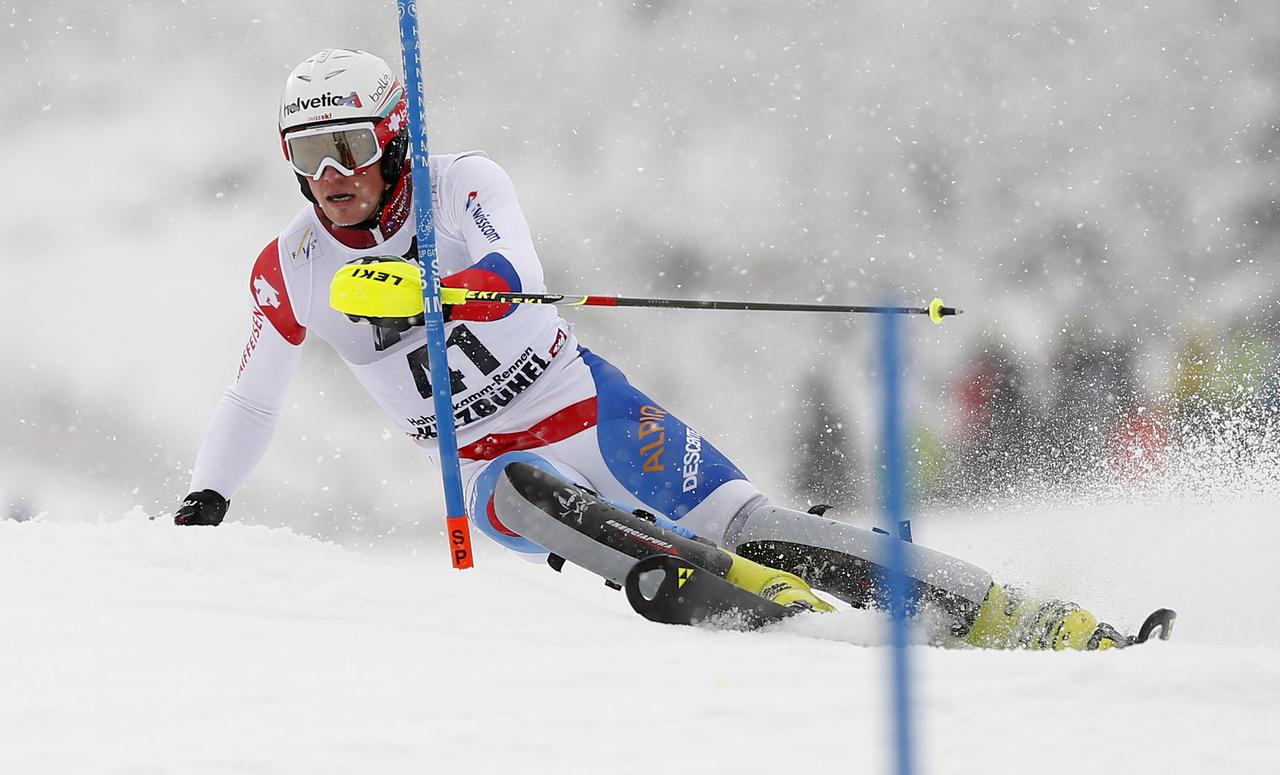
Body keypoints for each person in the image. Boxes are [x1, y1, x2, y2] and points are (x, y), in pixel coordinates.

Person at [176, 48, 1142, 650]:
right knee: (519, 490)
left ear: (391, 137)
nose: (333, 177)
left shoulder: (460, 181)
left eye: (349, 147)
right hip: (483, 464)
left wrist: (450, 289)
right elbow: (254, 398)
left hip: (590, 405)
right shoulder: (293, 264)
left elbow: (513, 267)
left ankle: (1021, 616)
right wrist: (204, 500)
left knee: (752, 522)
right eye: (309, 157)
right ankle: (717, 590)